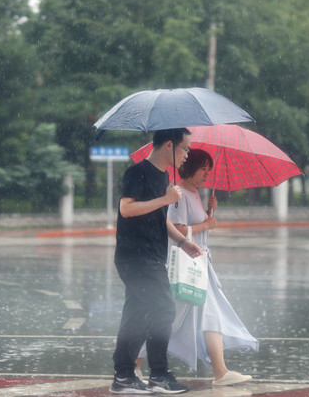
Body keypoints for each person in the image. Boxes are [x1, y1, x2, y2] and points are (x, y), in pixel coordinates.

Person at [135, 148, 258, 387]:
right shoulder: (179, 195)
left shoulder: (195, 193)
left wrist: (209, 213)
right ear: (190, 167)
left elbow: (195, 226)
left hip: (199, 265)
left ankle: (221, 372)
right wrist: (207, 223)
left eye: (209, 169)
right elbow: (178, 231)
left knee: (210, 314)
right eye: (203, 168)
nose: (207, 174)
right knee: (168, 318)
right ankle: (134, 364)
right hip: (185, 267)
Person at [110, 128, 203, 395]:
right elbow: (126, 208)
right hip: (135, 256)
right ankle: (159, 375)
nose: (187, 155)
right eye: (185, 149)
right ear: (169, 145)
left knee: (137, 315)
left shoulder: (163, 176)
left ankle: (124, 376)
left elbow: (160, 217)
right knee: (163, 309)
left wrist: (183, 242)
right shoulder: (137, 172)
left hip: (150, 255)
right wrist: (166, 198)